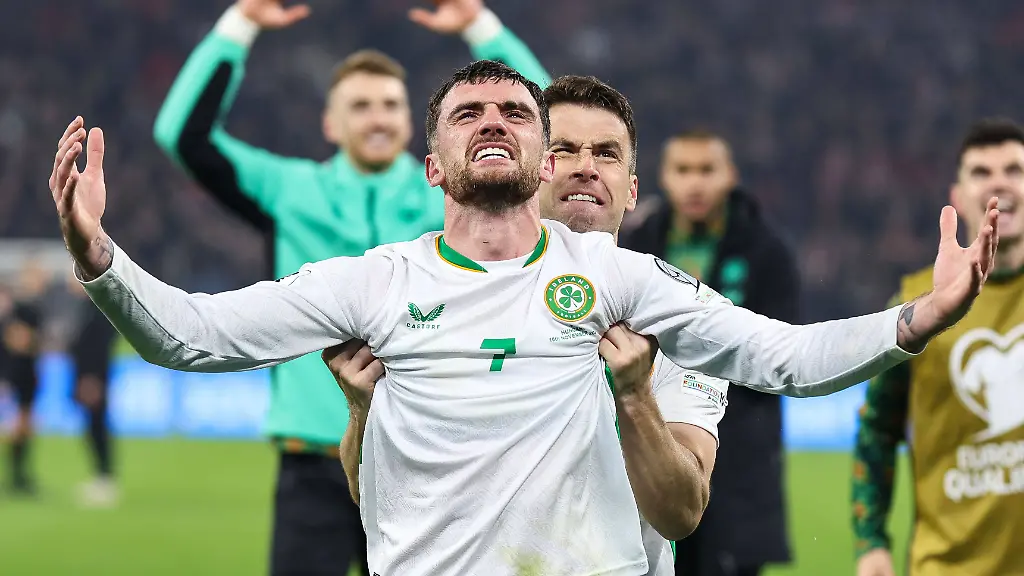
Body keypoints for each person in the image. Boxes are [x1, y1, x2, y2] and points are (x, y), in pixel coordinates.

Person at [51, 60, 998, 575]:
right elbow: (193, 334)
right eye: (468, 112)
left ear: (540, 160)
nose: (493, 118)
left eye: (513, 108)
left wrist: (920, 315)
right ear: (433, 165)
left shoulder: (623, 277)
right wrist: (99, 255)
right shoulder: (374, 283)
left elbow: (786, 358)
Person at [152, 1, 548, 573]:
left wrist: (480, 28)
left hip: (429, 457)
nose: (378, 119)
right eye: (360, 107)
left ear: (415, 124)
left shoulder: (448, 198)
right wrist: (239, 25)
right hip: (313, 460)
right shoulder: (287, 190)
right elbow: (181, 134)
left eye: (390, 105)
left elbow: (545, 126)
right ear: (330, 124)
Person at [323, 75, 728, 576]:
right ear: (536, 166)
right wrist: (362, 412)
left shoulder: (684, 315)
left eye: (607, 154)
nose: (585, 168)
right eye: (565, 149)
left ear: (632, 190)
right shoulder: (438, 301)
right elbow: (373, 497)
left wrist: (635, 394)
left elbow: (681, 514)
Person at [853, 117, 1024, 576]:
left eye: (1014, 169)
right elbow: (877, 431)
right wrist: (871, 543)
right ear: (957, 196)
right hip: (946, 566)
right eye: (982, 172)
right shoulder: (917, 308)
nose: (1000, 184)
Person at [621, 131, 798, 576]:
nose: (694, 184)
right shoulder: (637, 244)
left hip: (738, 462)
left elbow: (775, 352)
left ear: (730, 176)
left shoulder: (767, 253)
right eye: (683, 170)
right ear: (663, 176)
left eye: (707, 170)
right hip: (655, 445)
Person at [69, 282, 120, 508]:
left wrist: (92, 379)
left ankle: (105, 479)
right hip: (87, 377)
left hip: (93, 379)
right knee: (93, 427)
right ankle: (101, 477)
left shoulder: (98, 311)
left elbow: (99, 348)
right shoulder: (89, 308)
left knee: (97, 427)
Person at [2, 263, 47, 496]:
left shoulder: (34, 310)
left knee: (24, 429)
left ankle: (19, 476)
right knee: (16, 428)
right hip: (14, 376)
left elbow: (33, 344)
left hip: (28, 376)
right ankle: (18, 477)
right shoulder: (18, 310)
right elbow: (17, 341)